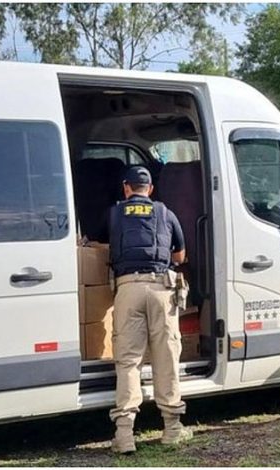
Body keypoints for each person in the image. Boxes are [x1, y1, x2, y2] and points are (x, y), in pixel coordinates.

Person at [107, 166, 193, 453]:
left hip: (127, 290)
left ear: (126, 188)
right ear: (151, 190)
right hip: (161, 290)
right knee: (166, 357)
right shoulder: (165, 213)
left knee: (128, 361)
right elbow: (179, 255)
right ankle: (172, 428)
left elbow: (102, 243)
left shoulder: (114, 213)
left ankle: (124, 435)